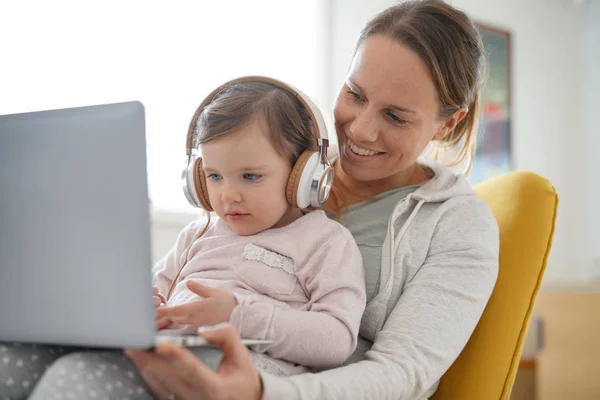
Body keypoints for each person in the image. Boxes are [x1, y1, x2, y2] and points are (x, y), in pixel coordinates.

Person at [2, 0, 500, 399]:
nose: (362, 128)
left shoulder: (455, 226)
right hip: (185, 353)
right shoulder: (259, 187)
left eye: (396, 116)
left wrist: (261, 390)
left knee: (72, 385)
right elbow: (167, 284)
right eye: (354, 93)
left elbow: (403, 372)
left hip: (279, 381)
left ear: (447, 122)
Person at [0, 78, 367, 399]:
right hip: (169, 349)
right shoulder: (200, 231)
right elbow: (152, 292)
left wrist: (237, 316)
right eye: (214, 176)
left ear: (303, 175)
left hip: (244, 366)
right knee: (10, 360)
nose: (228, 196)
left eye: (250, 176)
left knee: (76, 378)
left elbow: (336, 340)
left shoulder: (325, 242)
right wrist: (142, 308)